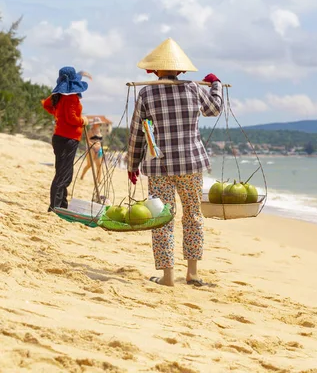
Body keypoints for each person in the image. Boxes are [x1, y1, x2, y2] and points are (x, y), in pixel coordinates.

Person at [127, 38, 223, 287]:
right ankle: (192, 273)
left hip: (159, 167)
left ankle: (168, 276)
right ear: (181, 69)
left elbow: (138, 132)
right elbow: (214, 109)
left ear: (155, 70)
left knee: (162, 218)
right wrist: (216, 85)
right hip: (191, 164)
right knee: (193, 215)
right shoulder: (193, 88)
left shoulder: (146, 93)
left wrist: (132, 164)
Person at [42, 67, 92, 212]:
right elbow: (72, 118)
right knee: (64, 175)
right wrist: (83, 121)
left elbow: (46, 105)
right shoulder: (71, 97)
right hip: (68, 139)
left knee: (63, 173)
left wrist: (57, 114)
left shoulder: (58, 96)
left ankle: (62, 204)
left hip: (59, 137)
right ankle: (55, 206)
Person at [80, 118, 104, 182]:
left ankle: (98, 180)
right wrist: (93, 146)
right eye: (97, 123)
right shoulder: (90, 131)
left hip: (99, 149)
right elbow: (87, 140)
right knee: (89, 165)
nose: (98, 124)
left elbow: (100, 141)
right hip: (91, 148)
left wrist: (99, 147)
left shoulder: (99, 131)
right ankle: (82, 176)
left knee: (99, 165)